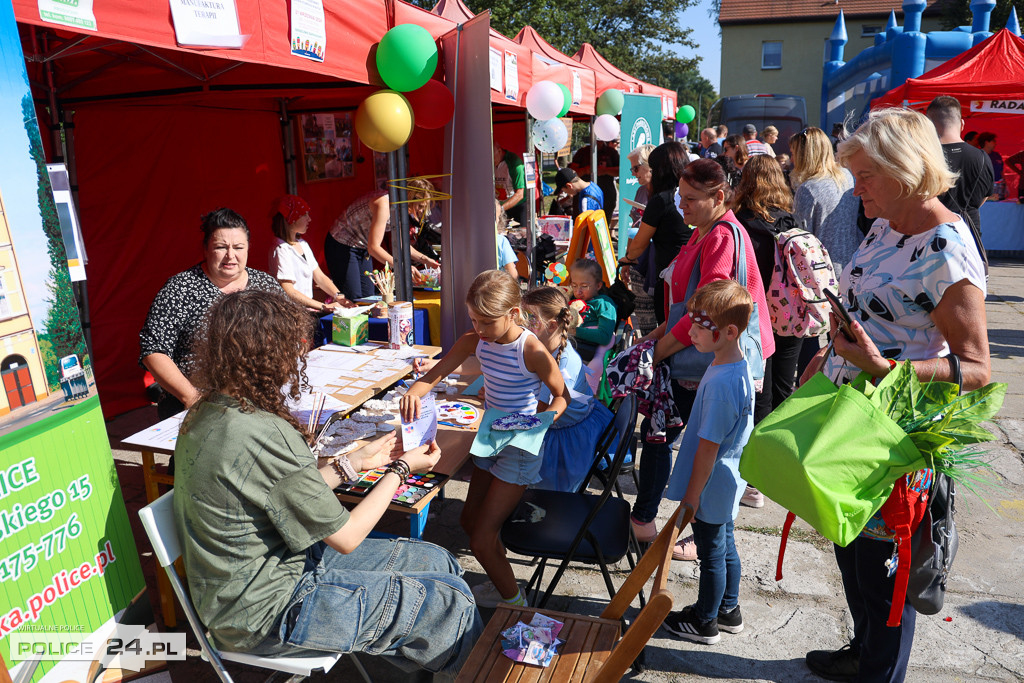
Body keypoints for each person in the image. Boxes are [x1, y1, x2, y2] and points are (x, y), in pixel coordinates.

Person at [173, 290, 481, 680]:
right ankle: (470, 669)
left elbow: (282, 491)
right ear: (274, 355)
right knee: (448, 603)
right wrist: (401, 469)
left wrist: (353, 464)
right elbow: (347, 536)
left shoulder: (207, 412)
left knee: (437, 561)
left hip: (257, 583)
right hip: (266, 613)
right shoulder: (264, 432)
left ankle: (444, 666)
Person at [802, 108, 990, 683]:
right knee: (850, 549)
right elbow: (867, 302)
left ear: (906, 172)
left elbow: (977, 367)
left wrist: (883, 366)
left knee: (886, 571)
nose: (856, 188)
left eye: (866, 176)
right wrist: (832, 349)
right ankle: (863, 652)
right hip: (849, 411)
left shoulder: (948, 245)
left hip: (896, 431)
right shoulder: (884, 223)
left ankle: (881, 671)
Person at [400, 270, 569, 608]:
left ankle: (515, 605)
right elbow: (433, 375)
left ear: (514, 315)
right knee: (469, 520)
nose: (478, 330)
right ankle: (500, 576)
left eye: (486, 322)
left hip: (518, 447)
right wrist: (416, 390)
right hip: (491, 437)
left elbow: (561, 397)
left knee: (479, 539)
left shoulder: (532, 350)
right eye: (473, 320)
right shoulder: (475, 340)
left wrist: (540, 421)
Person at [630, 159, 775, 548]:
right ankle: (669, 524)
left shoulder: (720, 237)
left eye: (692, 199)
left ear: (720, 197)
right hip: (699, 353)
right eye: (680, 196)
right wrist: (653, 342)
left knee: (682, 440)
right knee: (666, 434)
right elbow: (685, 305)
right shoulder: (703, 230)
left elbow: (704, 311)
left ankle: (697, 534)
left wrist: (656, 350)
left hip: (710, 360)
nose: (682, 206)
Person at [660, 279, 755, 644]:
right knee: (725, 544)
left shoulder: (720, 383)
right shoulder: (734, 365)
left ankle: (705, 620)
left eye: (701, 327)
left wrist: (692, 496)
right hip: (727, 480)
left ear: (729, 332)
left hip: (712, 484)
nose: (692, 332)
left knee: (712, 553)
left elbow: (707, 448)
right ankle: (729, 609)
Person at [140, 208, 283, 421]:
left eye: (238, 247)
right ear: (206, 249)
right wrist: (193, 399)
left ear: (248, 249)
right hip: (196, 406)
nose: (230, 255)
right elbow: (153, 350)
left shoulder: (266, 285)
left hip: (259, 402)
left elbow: (287, 337)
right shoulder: (181, 288)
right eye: (220, 247)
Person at [521, 286, 616, 493]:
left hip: (566, 438)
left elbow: (540, 410)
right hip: (567, 423)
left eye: (530, 318)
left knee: (533, 488)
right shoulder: (549, 347)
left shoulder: (560, 361)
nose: (523, 323)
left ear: (552, 325)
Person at [732, 155, 803, 416]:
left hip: (753, 317)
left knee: (758, 391)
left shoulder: (737, 224)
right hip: (788, 312)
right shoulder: (790, 223)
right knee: (785, 389)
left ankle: (756, 450)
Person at [789, 126, 860, 374]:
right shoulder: (848, 177)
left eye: (794, 153)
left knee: (810, 335)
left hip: (819, 271)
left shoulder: (808, 189)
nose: (791, 159)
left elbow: (801, 238)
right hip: (851, 260)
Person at [621, 141, 693, 324]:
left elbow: (638, 245)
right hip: (693, 270)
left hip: (670, 276)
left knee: (669, 328)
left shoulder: (662, 200)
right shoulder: (693, 195)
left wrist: (627, 258)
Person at [325, 191, 440, 300]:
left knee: (368, 296)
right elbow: (374, 248)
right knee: (354, 298)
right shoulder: (384, 204)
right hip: (341, 244)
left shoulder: (400, 209)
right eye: (420, 206)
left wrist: (427, 260)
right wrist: (402, 267)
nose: (421, 211)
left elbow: (402, 245)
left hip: (362, 247)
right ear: (410, 198)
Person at [924, 96, 992, 265]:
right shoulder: (982, 157)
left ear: (928, 124)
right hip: (969, 237)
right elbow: (982, 198)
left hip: (928, 238)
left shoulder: (921, 157)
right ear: (961, 124)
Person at [269, 195, 351, 316]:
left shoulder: (302, 244)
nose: (309, 219)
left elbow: (319, 276)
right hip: (291, 315)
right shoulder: (281, 249)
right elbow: (289, 291)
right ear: (291, 219)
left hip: (306, 313)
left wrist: (339, 296)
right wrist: (323, 306)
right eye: (304, 215)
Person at [568, 259, 618, 387]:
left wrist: (574, 331)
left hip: (589, 349)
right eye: (574, 285)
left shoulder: (604, 303)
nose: (578, 291)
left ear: (598, 286)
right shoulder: (572, 301)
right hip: (574, 345)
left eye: (584, 286)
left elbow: (604, 337)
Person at [626, 143, 659, 335]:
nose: (633, 173)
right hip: (640, 263)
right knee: (645, 324)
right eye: (632, 169)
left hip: (657, 263)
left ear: (650, 165)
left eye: (636, 168)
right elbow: (633, 227)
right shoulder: (640, 191)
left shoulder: (668, 194)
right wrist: (627, 259)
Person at [571, 140, 620, 221]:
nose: (598, 141)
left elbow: (620, 170)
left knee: (604, 224)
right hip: (584, 195)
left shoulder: (611, 152)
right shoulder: (582, 152)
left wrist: (605, 170)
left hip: (606, 195)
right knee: (582, 222)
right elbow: (572, 172)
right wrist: (584, 170)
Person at [494, 141, 527, 226]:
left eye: (492, 157)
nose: (490, 160)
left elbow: (520, 194)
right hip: (499, 203)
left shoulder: (515, 163)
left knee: (522, 233)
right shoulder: (490, 162)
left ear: (499, 151)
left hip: (518, 205)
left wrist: (500, 209)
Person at [494, 199, 520, 280]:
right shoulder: (501, 241)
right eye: (498, 217)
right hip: (496, 287)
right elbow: (512, 274)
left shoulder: (466, 240)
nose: (499, 220)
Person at [977, 132, 1004, 199]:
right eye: (993, 141)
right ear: (986, 142)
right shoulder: (977, 155)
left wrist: (1004, 182)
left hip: (998, 187)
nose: (995, 143)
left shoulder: (996, 155)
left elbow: (1001, 170)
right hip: (983, 188)